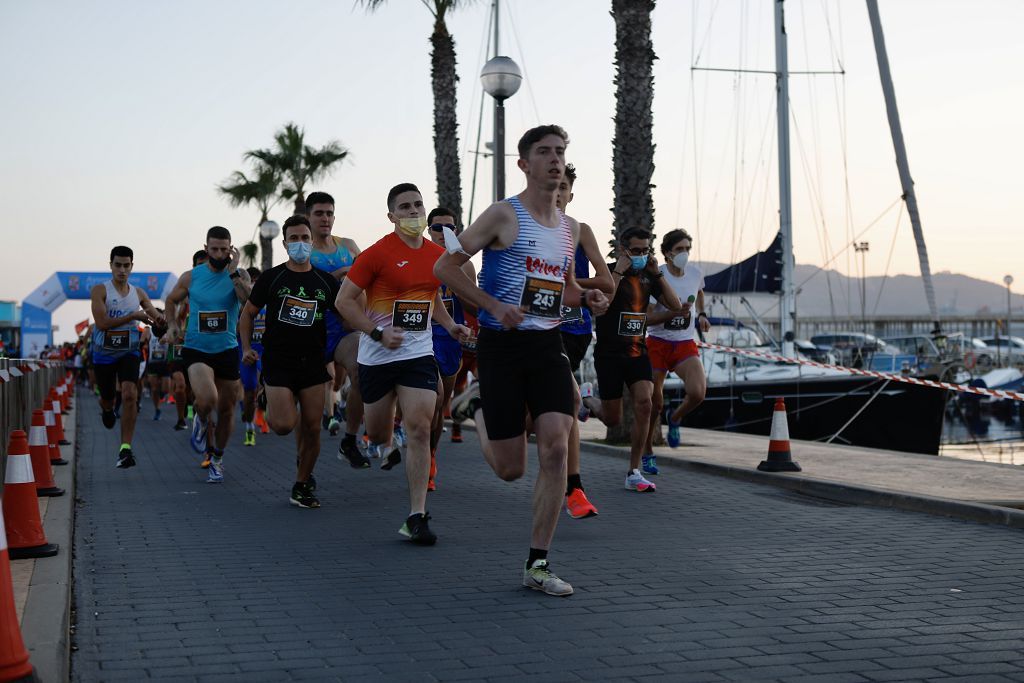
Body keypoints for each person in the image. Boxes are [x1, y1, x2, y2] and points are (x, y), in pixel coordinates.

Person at [437, 125, 609, 596]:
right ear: (524, 164)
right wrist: (491, 306)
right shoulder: (502, 216)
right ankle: (477, 409)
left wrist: (589, 298)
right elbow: (445, 268)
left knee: (556, 443)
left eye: (560, 152)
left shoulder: (571, 230)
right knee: (511, 469)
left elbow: (562, 291)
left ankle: (538, 563)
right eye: (545, 153)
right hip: (501, 346)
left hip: (546, 345)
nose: (555, 160)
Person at [336, 183, 471, 545]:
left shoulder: (435, 255)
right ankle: (374, 428)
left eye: (418, 205)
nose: (413, 212)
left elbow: (431, 297)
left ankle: (416, 515)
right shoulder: (376, 254)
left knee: (420, 428)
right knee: (379, 434)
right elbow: (344, 302)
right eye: (405, 207)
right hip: (377, 356)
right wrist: (377, 334)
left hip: (417, 354)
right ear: (391, 215)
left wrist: (450, 325)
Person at [241, 215, 342, 508]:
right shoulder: (273, 278)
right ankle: (268, 399)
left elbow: (346, 314)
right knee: (284, 425)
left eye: (305, 238)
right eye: (294, 239)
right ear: (285, 244)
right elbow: (247, 314)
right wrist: (247, 347)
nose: (300, 243)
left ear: (313, 242)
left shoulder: (324, 281)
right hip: (278, 363)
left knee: (312, 428)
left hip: (313, 364)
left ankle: (301, 484)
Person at [582, 228, 681, 492]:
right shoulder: (608, 272)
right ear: (622, 249)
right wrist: (618, 272)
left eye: (645, 250)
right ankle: (588, 401)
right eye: (635, 251)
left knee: (645, 404)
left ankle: (634, 471)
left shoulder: (649, 275)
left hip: (638, 352)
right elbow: (604, 301)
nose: (640, 255)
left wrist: (657, 272)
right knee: (612, 419)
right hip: (609, 354)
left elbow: (674, 305)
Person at [164, 227, 251, 483]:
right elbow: (171, 301)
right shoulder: (192, 277)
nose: (219, 254)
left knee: (226, 411)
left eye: (224, 250)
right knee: (208, 398)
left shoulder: (238, 274)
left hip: (226, 350)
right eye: (214, 249)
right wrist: (172, 325)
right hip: (196, 349)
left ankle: (218, 458)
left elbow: (248, 302)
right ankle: (200, 420)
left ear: (231, 249)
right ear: (206, 249)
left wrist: (234, 270)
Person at [554, 164, 614, 519]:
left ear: (571, 194)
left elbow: (606, 282)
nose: (558, 192)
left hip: (575, 332)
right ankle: (573, 486)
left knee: (566, 402)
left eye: (564, 187)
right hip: (539, 327)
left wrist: (575, 288)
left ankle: (573, 487)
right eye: (554, 185)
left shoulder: (581, 231)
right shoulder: (522, 228)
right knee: (567, 400)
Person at [307, 191, 371, 471]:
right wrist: (340, 274)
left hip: (345, 329)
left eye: (329, 213)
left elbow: (369, 277)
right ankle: (304, 464)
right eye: (319, 213)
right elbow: (305, 286)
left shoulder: (348, 245)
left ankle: (350, 439)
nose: (325, 218)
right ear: (308, 217)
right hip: (311, 333)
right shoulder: (303, 250)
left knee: (361, 368)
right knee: (305, 417)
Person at [90, 245, 163, 468]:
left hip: (129, 352)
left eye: (126, 265)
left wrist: (162, 321)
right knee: (108, 397)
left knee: (130, 393)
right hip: (104, 354)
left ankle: (125, 448)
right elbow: (101, 324)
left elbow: (154, 315)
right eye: (118, 265)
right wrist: (133, 315)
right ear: (110, 265)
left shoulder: (138, 293)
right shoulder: (100, 291)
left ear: (132, 266)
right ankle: (107, 409)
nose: (122, 270)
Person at [425, 206, 477, 491]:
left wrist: (461, 289)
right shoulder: (418, 259)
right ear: (428, 231)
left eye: (451, 228)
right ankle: (415, 447)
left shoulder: (465, 265)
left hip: (450, 340)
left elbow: (474, 307)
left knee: (438, 406)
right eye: (438, 227)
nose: (445, 233)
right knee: (433, 398)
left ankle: (431, 453)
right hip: (419, 339)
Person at [648, 229, 710, 451]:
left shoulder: (695, 273)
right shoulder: (659, 276)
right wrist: (672, 313)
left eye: (687, 249)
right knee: (655, 402)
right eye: (679, 249)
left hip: (684, 342)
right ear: (667, 253)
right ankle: (648, 448)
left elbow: (699, 292)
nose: (684, 253)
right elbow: (648, 316)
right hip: (657, 342)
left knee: (697, 393)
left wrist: (701, 314)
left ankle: (674, 418)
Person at [239, 266, 264, 446]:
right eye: (251, 280)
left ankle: (263, 411)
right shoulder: (241, 301)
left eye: (257, 280)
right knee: (249, 393)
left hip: (265, 349)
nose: (254, 284)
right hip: (246, 348)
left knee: (267, 385)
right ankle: (249, 426)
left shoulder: (269, 295)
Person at [145, 311, 172, 420]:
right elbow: (144, 340)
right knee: (154, 389)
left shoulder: (168, 329)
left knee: (166, 389)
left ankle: (162, 395)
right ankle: (157, 409)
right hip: (153, 363)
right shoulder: (149, 330)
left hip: (165, 363)